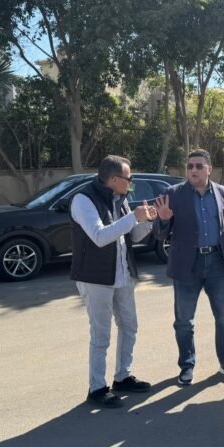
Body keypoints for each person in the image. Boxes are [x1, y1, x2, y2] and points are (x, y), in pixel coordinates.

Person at [152, 149, 224, 385]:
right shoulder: (173, 194)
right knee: (184, 321)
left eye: (198, 166)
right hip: (187, 264)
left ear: (209, 169)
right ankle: (187, 365)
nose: (193, 170)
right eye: (190, 166)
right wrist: (163, 219)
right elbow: (160, 234)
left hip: (217, 262)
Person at [70, 155, 157, 408]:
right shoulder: (83, 200)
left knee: (129, 326)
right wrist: (133, 217)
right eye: (129, 179)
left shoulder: (120, 199)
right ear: (115, 179)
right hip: (95, 277)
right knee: (101, 335)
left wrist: (149, 220)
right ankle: (97, 388)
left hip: (122, 273)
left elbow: (133, 236)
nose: (131, 183)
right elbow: (99, 236)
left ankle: (123, 376)